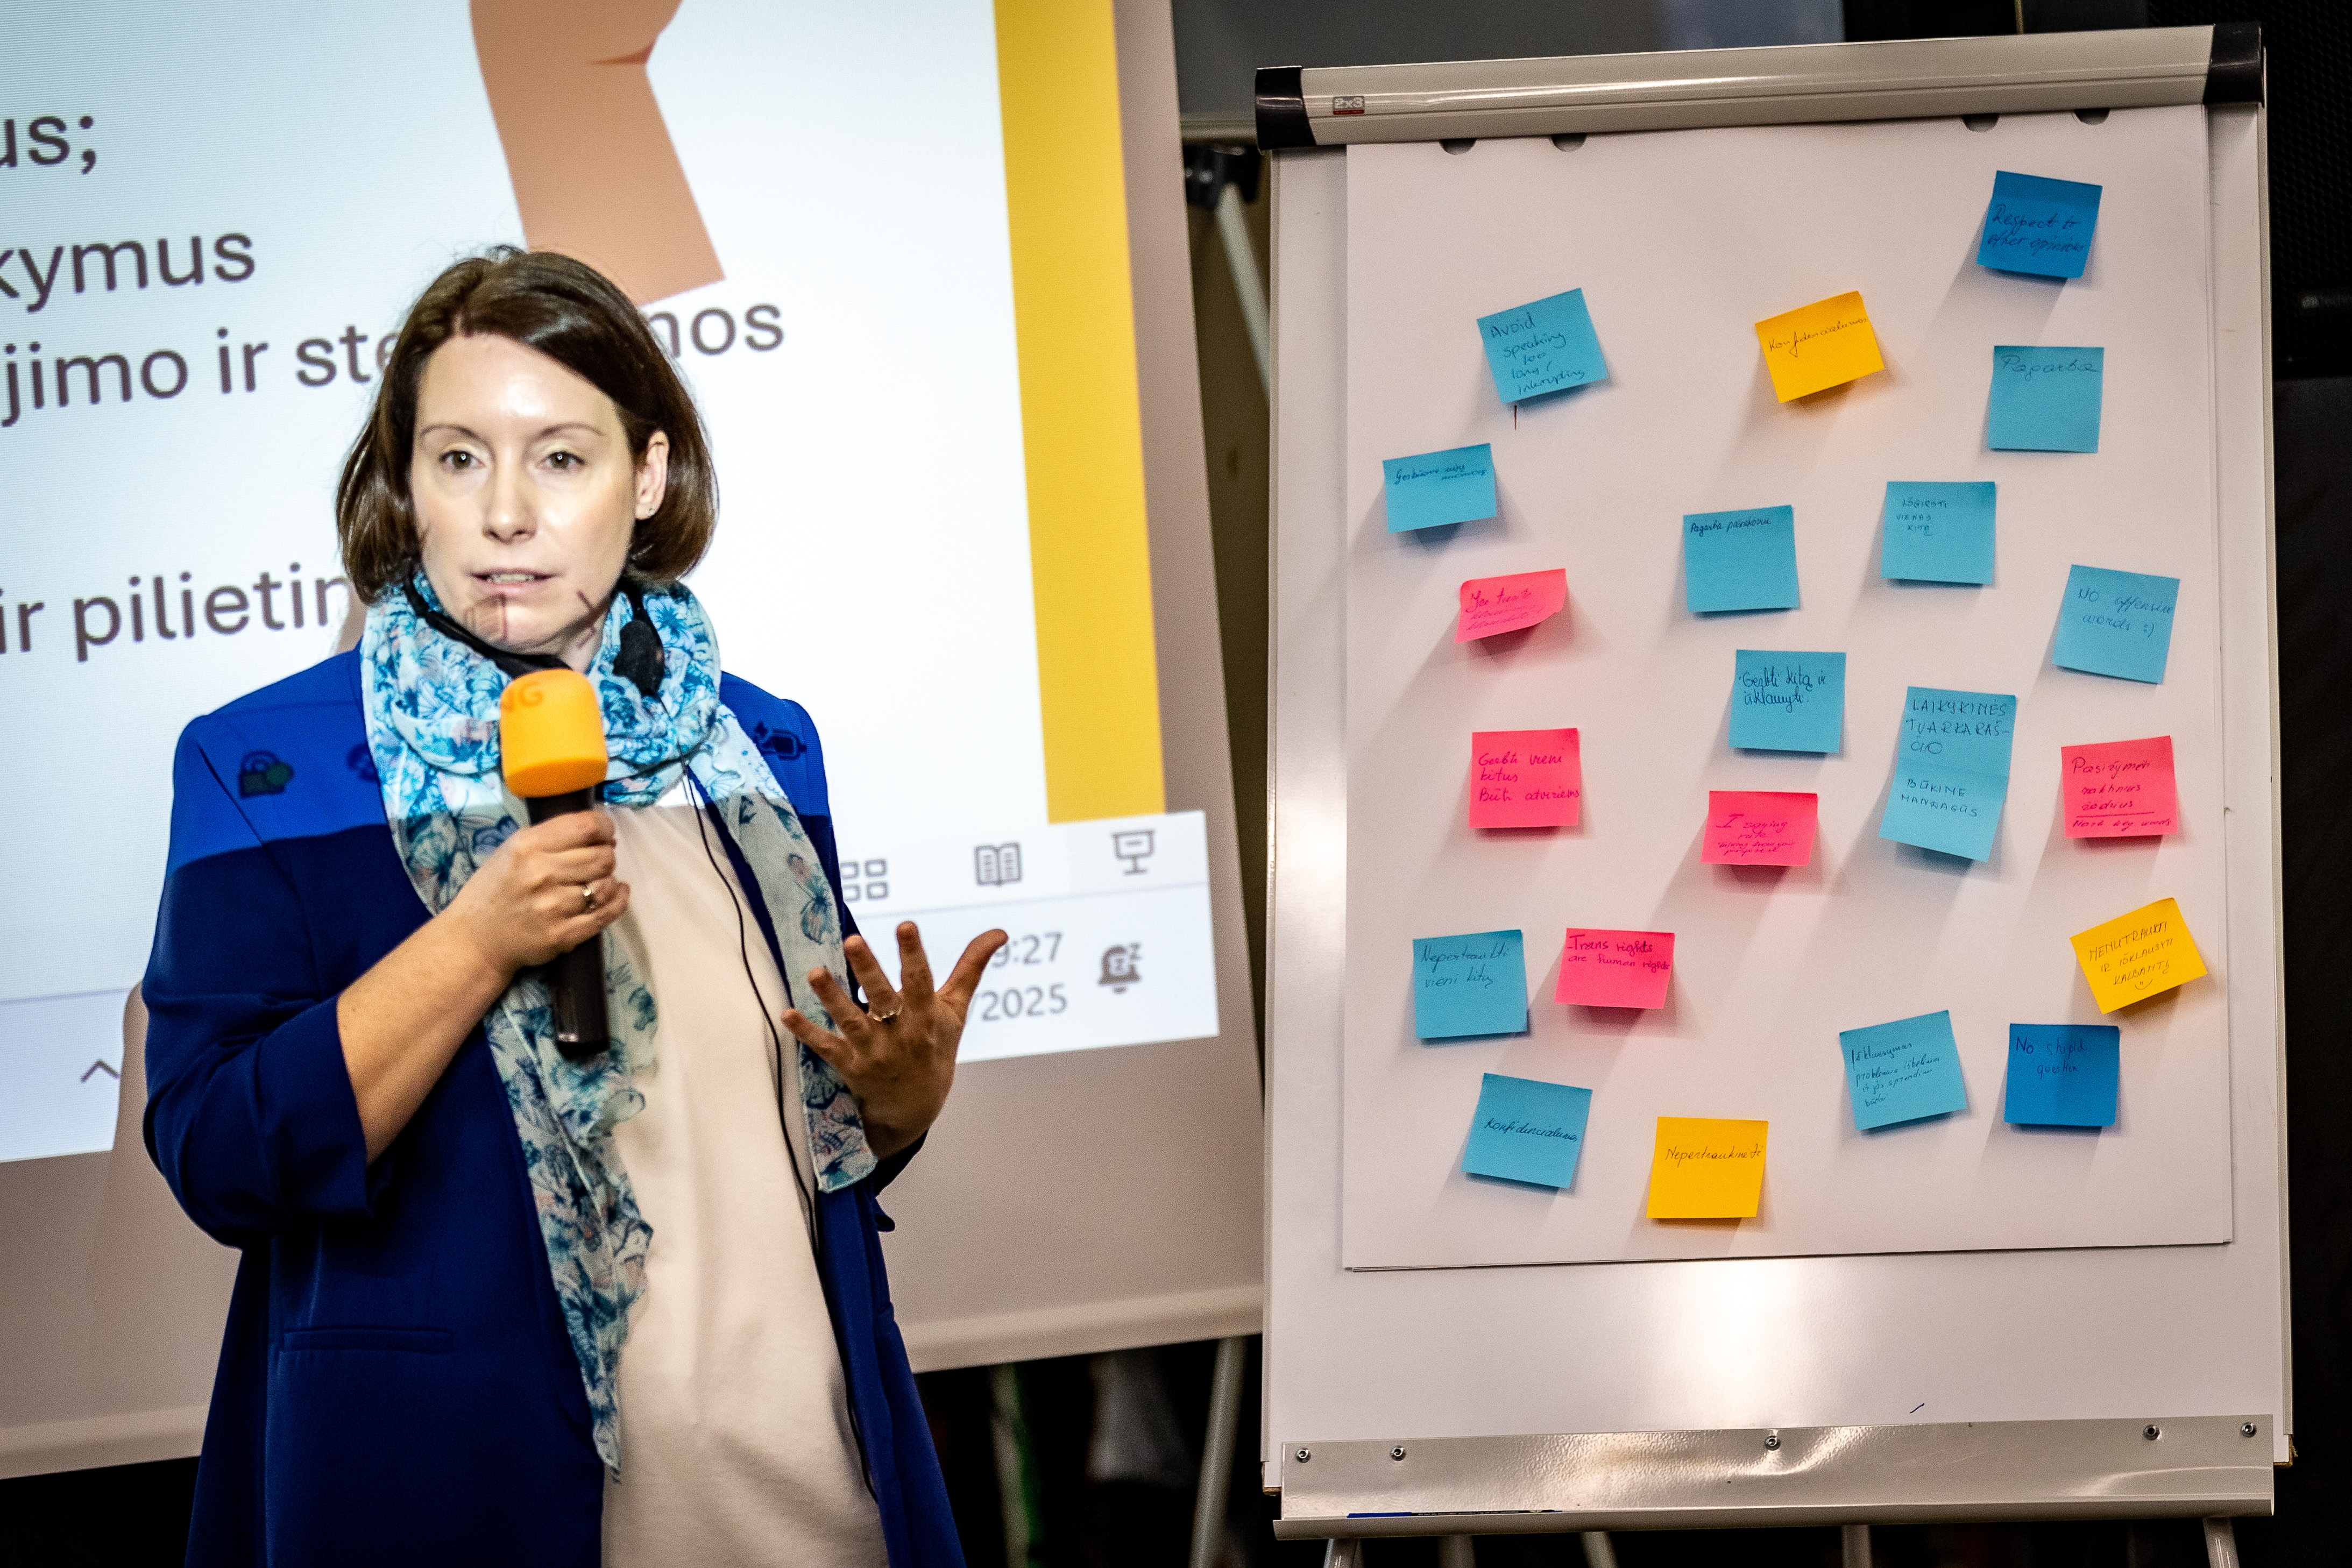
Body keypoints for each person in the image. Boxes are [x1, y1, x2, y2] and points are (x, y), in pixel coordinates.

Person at [141, 247, 1004, 1566]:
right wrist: (475, 941)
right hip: (462, 1500)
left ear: (647, 476)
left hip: (802, 1493)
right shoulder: (270, 767)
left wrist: (892, 1105)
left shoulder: (760, 751)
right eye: (457, 458)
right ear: (404, 486)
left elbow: (746, 1142)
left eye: (559, 457)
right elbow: (222, 1153)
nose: (506, 513)